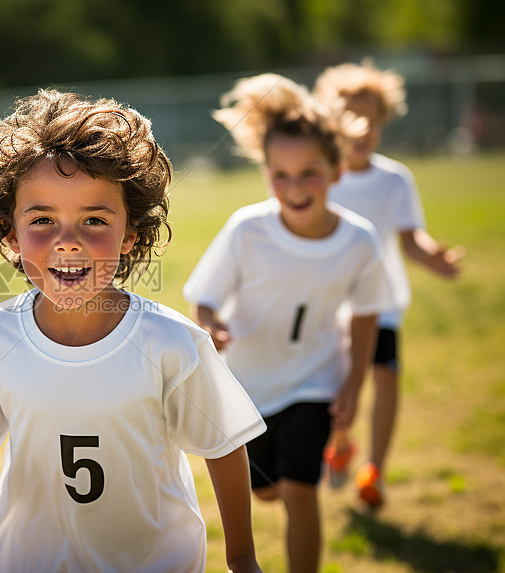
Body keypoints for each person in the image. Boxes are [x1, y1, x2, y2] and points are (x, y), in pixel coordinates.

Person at [0, 89, 267, 573]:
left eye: (94, 220)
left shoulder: (171, 342)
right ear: (11, 233)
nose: (67, 242)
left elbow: (222, 446)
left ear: (130, 233)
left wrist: (241, 557)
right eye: (43, 220)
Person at [183, 74, 394, 573]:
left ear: (338, 170)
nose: (294, 188)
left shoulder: (359, 241)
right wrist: (212, 327)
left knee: (301, 491)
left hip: (315, 381)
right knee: (268, 492)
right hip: (249, 385)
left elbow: (366, 317)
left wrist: (352, 382)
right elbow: (204, 299)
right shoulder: (247, 229)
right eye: (280, 174)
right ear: (266, 173)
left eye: (309, 173)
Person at [314, 61, 465, 508]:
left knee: (386, 375)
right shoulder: (321, 177)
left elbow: (410, 238)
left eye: (372, 122)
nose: (363, 131)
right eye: (353, 120)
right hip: (332, 304)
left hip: (381, 304)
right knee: (341, 385)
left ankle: (375, 470)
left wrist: (431, 254)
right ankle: (340, 443)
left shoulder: (395, 178)